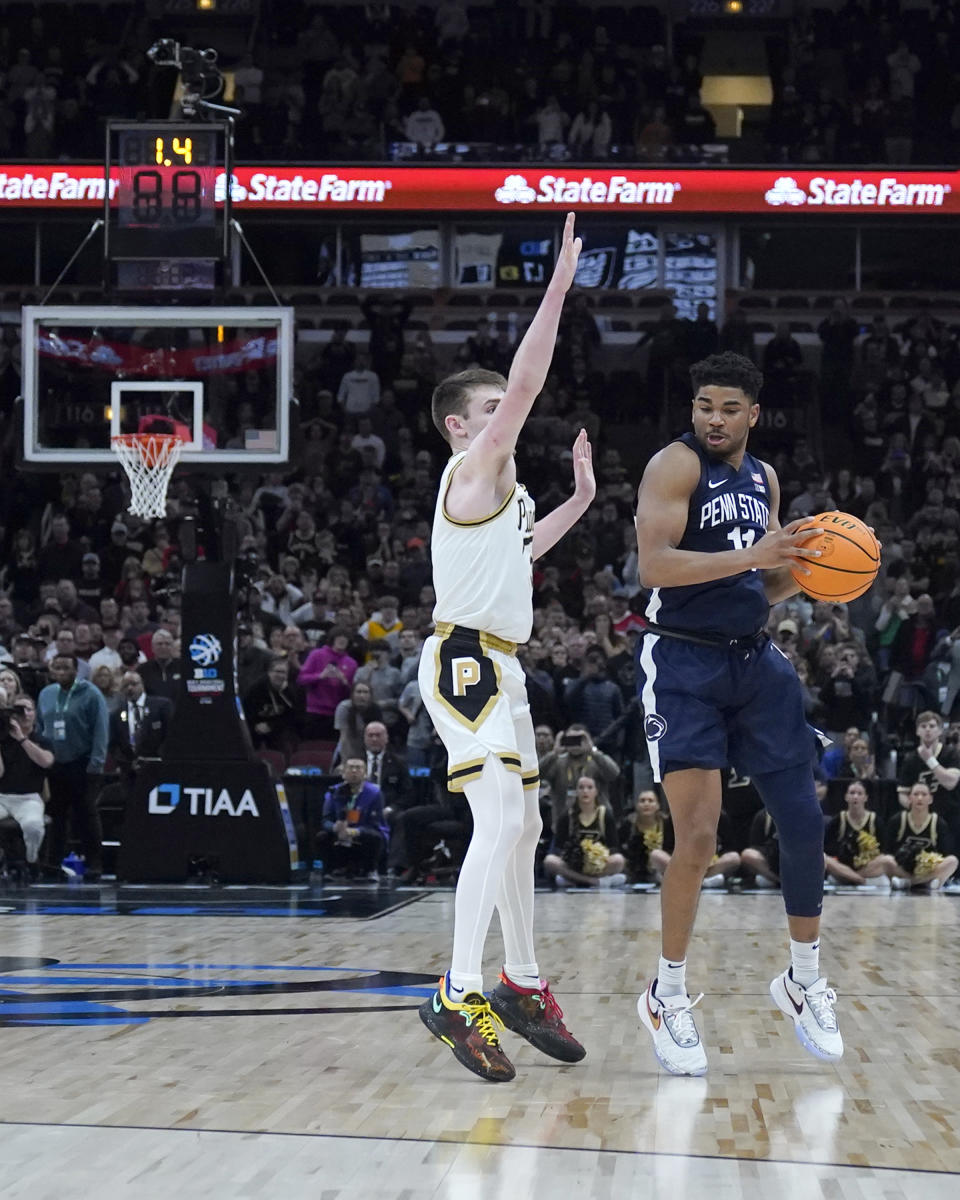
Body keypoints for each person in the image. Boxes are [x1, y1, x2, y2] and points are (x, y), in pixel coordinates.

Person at [633, 349, 845, 1076]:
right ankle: (665, 994)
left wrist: (819, 574)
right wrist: (755, 557)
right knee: (695, 838)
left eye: (728, 409)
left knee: (804, 819)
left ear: (753, 414)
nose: (714, 419)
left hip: (753, 658)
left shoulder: (765, 478)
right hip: (683, 662)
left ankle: (804, 979)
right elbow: (655, 568)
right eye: (703, 406)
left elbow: (765, 582)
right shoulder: (674, 466)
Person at [418, 214, 592, 1082]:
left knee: (523, 826)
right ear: (460, 429)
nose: (506, 423)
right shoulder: (472, 470)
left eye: (502, 416)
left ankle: (521, 982)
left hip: (504, 665)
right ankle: (458, 990)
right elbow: (523, 385)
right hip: (465, 661)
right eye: (489, 415)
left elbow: (526, 552)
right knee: (497, 819)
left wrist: (581, 500)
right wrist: (557, 287)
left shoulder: (506, 500)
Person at [35, 652, 109, 882]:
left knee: (86, 814)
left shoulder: (91, 693)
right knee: (56, 816)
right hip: (55, 763)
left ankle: (94, 863)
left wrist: (96, 762)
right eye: (56, 667)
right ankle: (52, 862)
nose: (61, 672)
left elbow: (100, 729)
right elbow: (39, 726)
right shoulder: (46, 694)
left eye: (66, 668)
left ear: (76, 670)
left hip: (83, 762)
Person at [542, 775, 627, 888]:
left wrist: (597, 857)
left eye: (589, 787)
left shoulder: (605, 814)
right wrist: (573, 857)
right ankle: (593, 881)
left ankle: (575, 880)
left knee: (618, 860)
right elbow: (559, 847)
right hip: (573, 865)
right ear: (576, 791)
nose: (585, 791)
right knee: (550, 861)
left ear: (596, 791)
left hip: (598, 865)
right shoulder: (567, 815)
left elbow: (614, 847)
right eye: (581, 787)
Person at [0, 693, 52, 872]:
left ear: (34, 713)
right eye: (19, 710)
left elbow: (46, 761)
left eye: (28, 709)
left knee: (33, 826)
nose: (24, 714)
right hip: (2, 796)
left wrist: (22, 739)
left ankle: (31, 858)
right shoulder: (3, 739)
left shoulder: (42, 740)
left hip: (28, 798)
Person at [317, 758, 388, 882]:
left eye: (358, 768)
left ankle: (371, 870)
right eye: (350, 768)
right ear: (343, 773)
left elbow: (376, 824)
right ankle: (329, 871)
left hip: (362, 833)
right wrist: (335, 827)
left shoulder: (374, 793)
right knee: (322, 836)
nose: (354, 771)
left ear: (365, 774)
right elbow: (325, 820)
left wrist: (354, 831)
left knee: (376, 837)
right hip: (340, 834)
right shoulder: (333, 792)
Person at [885, 782, 959, 889]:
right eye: (916, 794)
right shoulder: (898, 820)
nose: (920, 798)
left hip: (928, 870)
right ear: (909, 798)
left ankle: (908, 883)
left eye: (924, 794)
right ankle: (926, 883)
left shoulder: (938, 823)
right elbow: (888, 850)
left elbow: (944, 854)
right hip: (903, 869)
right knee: (885, 860)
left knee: (953, 861)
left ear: (930, 799)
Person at [823, 780, 896, 887]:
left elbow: (884, 850)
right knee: (823, 858)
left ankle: (854, 878)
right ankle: (858, 880)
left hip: (868, 869)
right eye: (852, 793)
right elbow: (828, 850)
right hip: (843, 868)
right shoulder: (838, 820)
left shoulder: (875, 820)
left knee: (888, 860)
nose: (855, 796)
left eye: (859, 793)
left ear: (866, 797)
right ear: (846, 797)